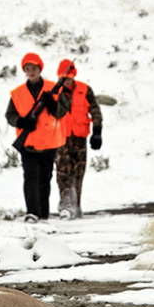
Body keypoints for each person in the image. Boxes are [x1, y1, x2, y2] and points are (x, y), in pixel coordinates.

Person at [5, 52, 71, 221]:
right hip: (28, 142)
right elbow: (10, 115)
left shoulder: (53, 88)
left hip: (49, 141)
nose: (31, 71)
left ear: (39, 68)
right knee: (30, 177)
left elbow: (62, 112)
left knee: (45, 178)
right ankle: (32, 212)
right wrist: (22, 122)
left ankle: (43, 213)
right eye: (27, 69)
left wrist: (52, 105)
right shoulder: (17, 93)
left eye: (34, 68)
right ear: (24, 71)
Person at [54, 58, 102, 219]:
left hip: (80, 138)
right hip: (61, 138)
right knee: (62, 173)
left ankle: (76, 206)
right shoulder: (54, 92)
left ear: (73, 75)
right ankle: (66, 206)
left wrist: (97, 131)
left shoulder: (85, 89)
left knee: (78, 173)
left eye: (68, 77)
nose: (66, 80)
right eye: (63, 77)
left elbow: (95, 110)